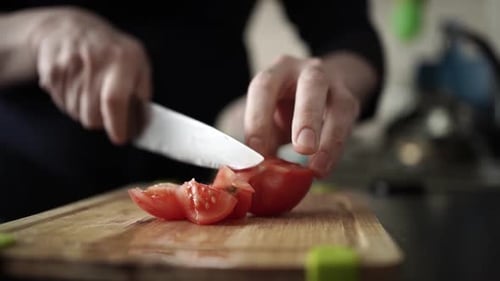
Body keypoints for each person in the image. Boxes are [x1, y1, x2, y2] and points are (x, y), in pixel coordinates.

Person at [0, 1, 384, 221]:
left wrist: (329, 79)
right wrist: (35, 32)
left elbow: (349, 33)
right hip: (24, 183)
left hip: (220, 164)